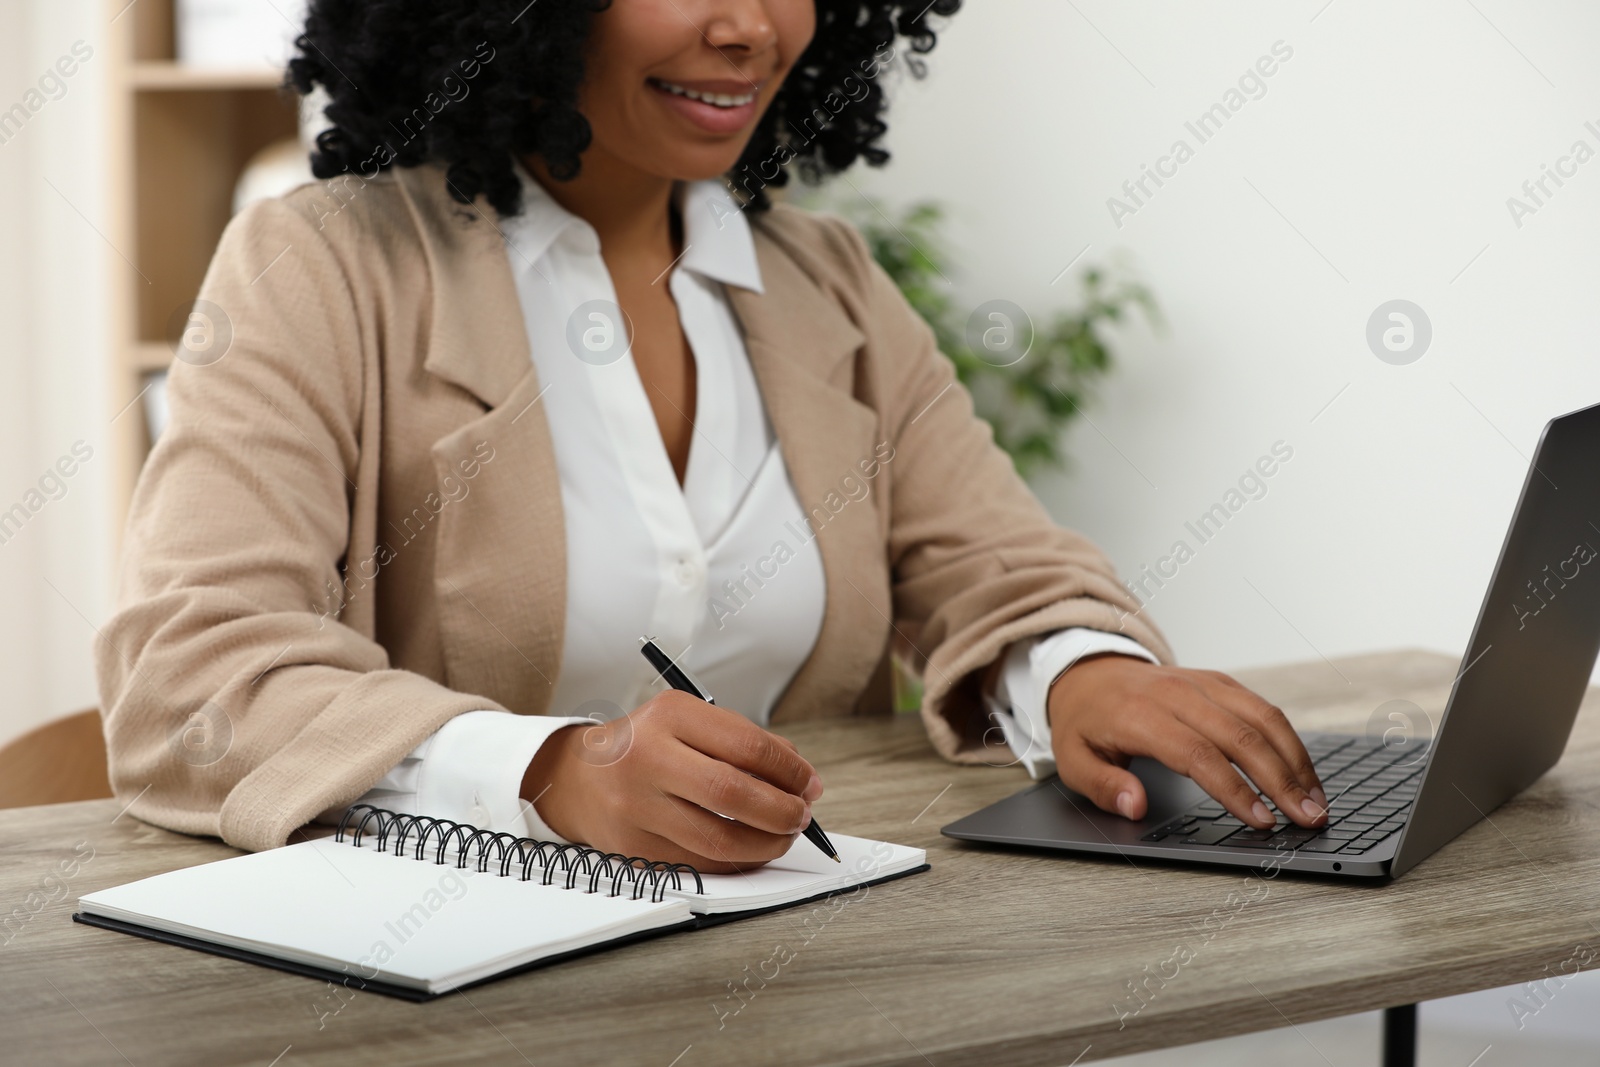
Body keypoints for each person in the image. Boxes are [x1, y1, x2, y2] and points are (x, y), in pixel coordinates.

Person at [97, 0, 1325, 872]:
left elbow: (991, 559)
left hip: (799, 943)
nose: (750, 26)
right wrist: (546, 770)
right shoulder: (323, 264)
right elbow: (192, 679)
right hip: (449, 983)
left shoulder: (824, 279)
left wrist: (1078, 670)